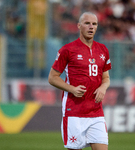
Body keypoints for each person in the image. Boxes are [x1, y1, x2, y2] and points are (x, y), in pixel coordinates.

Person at [48, 12, 112, 150]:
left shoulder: (103, 50)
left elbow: (106, 78)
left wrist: (103, 88)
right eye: (87, 23)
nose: (91, 27)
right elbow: (52, 78)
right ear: (78, 26)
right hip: (74, 112)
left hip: (96, 112)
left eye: (94, 24)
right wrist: (72, 89)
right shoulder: (68, 50)